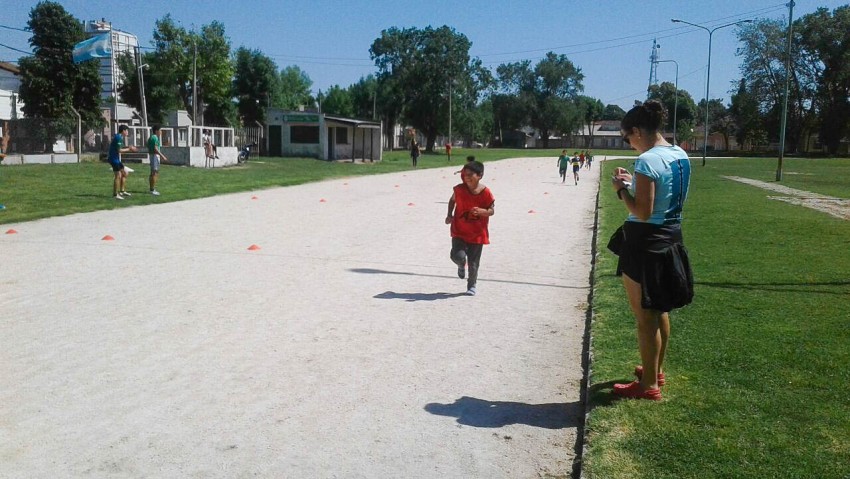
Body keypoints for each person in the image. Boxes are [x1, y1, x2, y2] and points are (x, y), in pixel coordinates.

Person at [610, 99, 693, 400]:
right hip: (670, 236)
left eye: (627, 137)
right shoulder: (679, 153)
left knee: (645, 317)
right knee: (660, 309)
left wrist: (621, 190)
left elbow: (642, 211)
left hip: (645, 242)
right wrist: (635, 183)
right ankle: (654, 370)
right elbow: (664, 194)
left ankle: (648, 387)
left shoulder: (647, 161)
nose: (629, 144)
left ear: (636, 130)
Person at [445, 160, 495, 296]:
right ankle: (461, 265)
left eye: (470, 174)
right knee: (458, 256)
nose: (466, 177)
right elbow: (452, 200)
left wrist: (481, 211)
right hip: (459, 230)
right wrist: (449, 214)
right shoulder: (459, 189)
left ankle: (472, 285)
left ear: (480, 175)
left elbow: (491, 211)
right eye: (465, 174)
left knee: (473, 263)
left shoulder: (486, 193)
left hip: (477, 233)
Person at [108, 125, 136, 200]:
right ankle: (115, 194)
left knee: (125, 173)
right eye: (126, 130)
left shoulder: (119, 137)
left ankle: (122, 191)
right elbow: (119, 150)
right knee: (118, 176)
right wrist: (130, 149)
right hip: (113, 159)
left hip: (116, 159)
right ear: (123, 131)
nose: (127, 132)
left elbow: (119, 148)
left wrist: (129, 148)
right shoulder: (118, 137)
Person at [147, 125, 168, 196]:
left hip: (153, 155)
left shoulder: (151, 137)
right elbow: (155, 149)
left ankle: (152, 188)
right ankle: (152, 190)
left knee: (153, 172)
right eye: (160, 130)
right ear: (156, 131)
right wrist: (162, 156)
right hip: (154, 156)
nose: (161, 132)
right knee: (154, 172)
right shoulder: (154, 138)